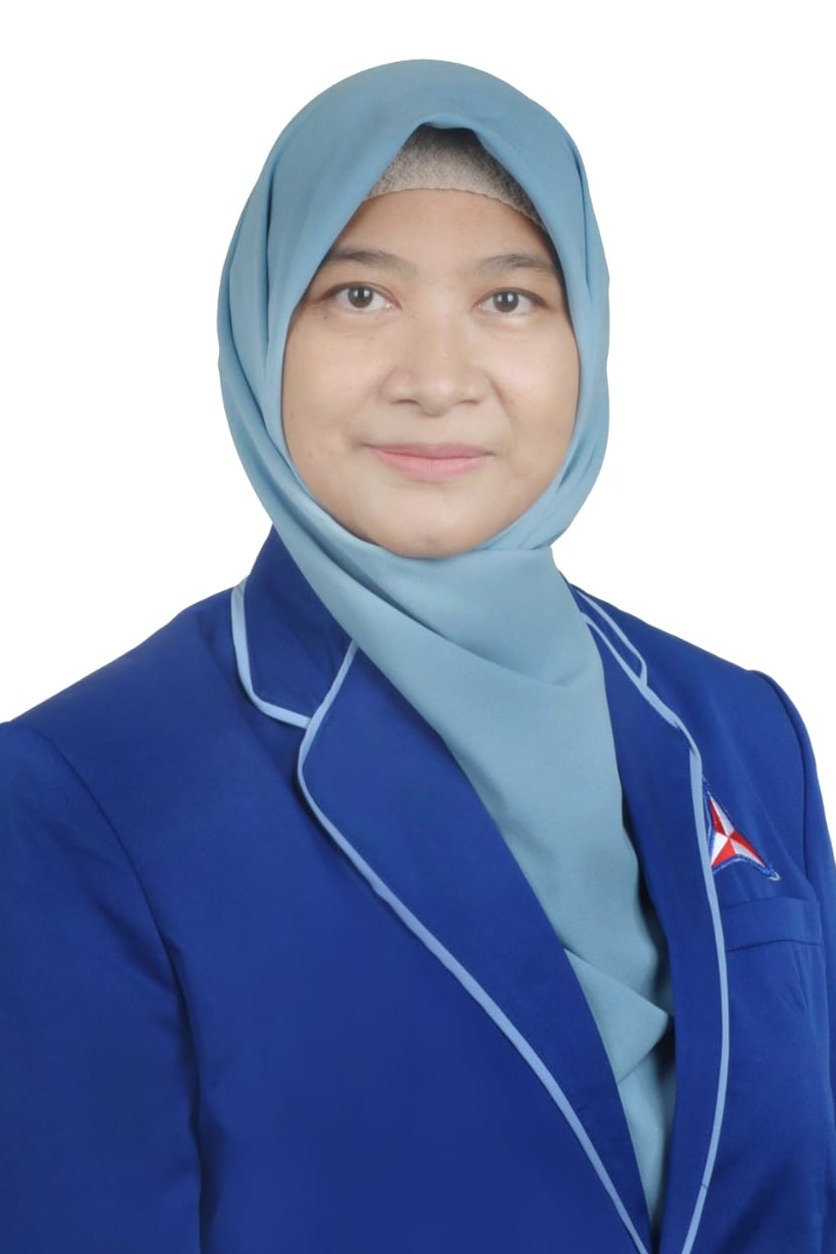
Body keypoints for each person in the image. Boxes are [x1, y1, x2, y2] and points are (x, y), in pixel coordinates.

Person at [1, 59, 833, 1254]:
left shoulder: (740, 731)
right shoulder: (84, 795)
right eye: (358, 296)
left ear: (586, 337)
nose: (436, 381)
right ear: (260, 333)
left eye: (509, 299)